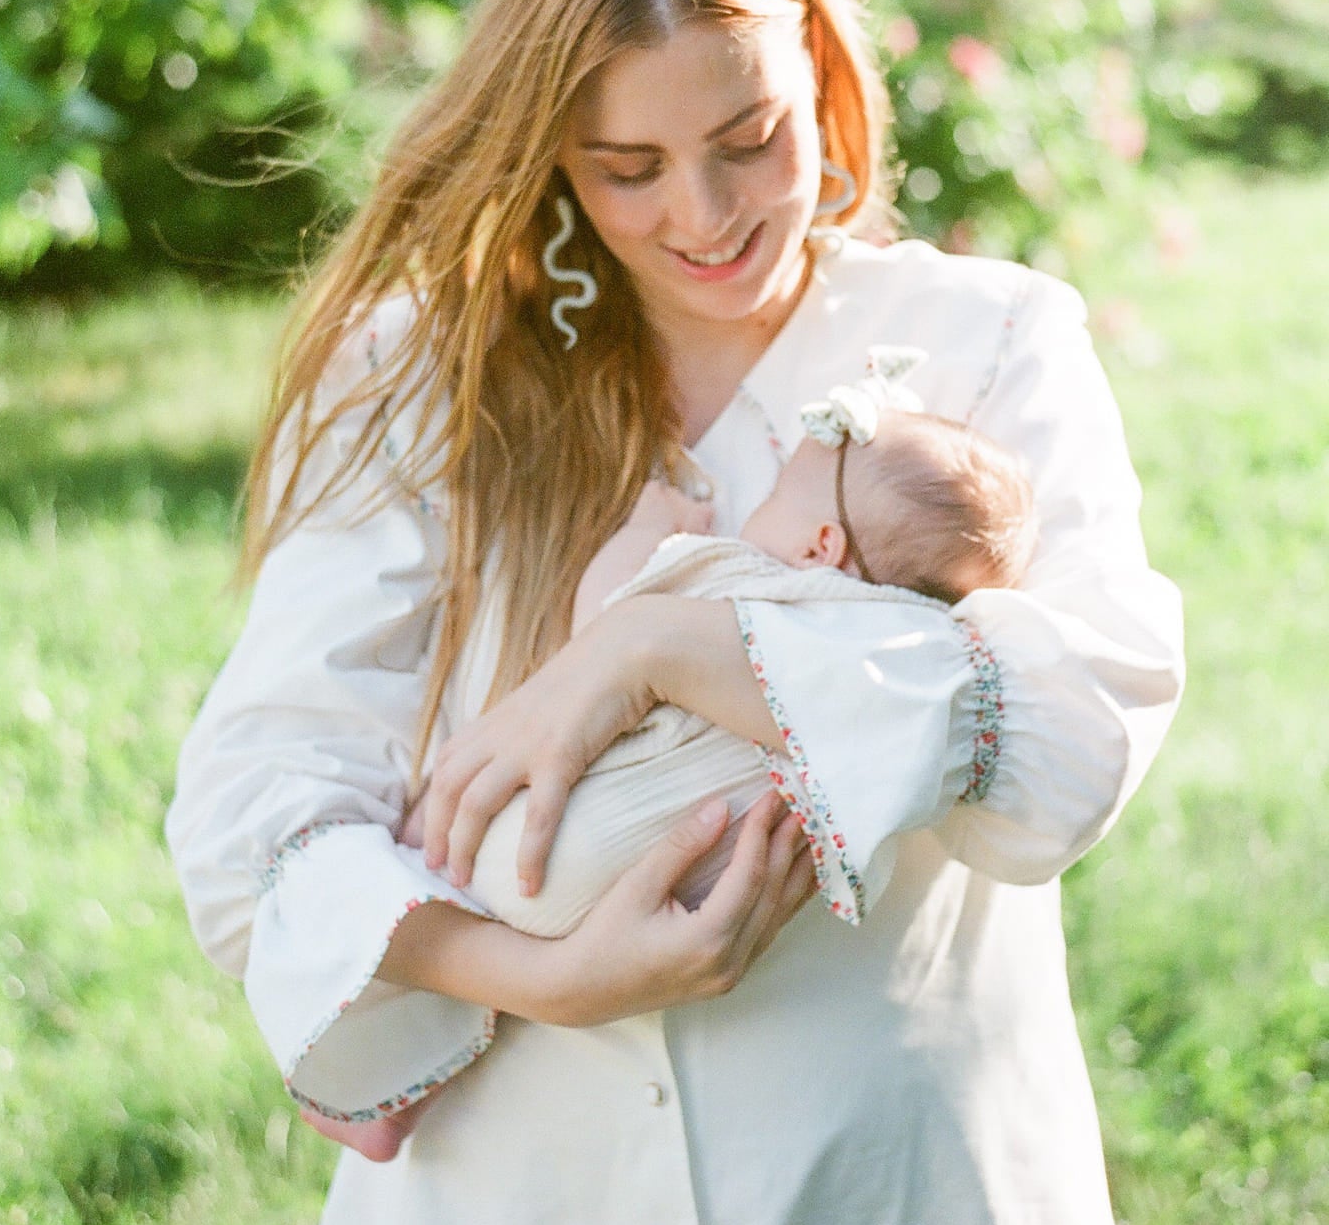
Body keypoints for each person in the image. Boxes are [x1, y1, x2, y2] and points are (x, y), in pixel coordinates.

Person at [166, 0, 1185, 1225]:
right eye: (626, 167)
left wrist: (649, 645)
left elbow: (1061, 752)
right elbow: (258, 814)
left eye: (751, 134)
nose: (706, 213)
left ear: (824, 79)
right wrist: (546, 974)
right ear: (547, 150)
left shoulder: (984, 343)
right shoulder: (421, 377)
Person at [308, 363, 1041, 1163]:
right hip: (690, 885)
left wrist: (646, 534)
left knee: (428, 840)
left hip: (554, 846)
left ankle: (383, 1096)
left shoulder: (744, 591)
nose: (752, 512)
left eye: (774, 498)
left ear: (819, 546)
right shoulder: (897, 661)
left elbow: (608, 618)